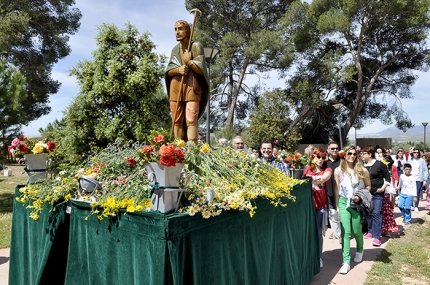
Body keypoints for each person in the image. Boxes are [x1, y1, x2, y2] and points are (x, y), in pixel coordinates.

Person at [165, 20, 210, 142]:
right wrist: (178, 70)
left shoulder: (196, 46)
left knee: (191, 119)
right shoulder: (175, 49)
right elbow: (168, 71)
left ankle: (191, 151)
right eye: (175, 29)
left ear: (188, 31)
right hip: (176, 85)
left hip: (192, 85)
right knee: (177, 119)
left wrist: (189, 61)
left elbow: (202, 70)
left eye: (180, 29)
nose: (177, 32)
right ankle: (178, 150)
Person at [334, 145, 371, 275]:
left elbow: (368, 186)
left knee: (357, 230)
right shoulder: (338, 170)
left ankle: (360, 250)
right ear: (344, 154)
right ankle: (346, 262)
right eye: (349, 153)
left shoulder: (362, 170)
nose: (352, 156)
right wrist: (337, 206)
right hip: (344, 202)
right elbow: (337, 189)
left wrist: (359, 196)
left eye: (354, 154)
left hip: (357, 204)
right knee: (346, 233)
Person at [303, 147, 332, 268]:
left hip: (321, 206)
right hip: (307, 206)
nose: (320, 159)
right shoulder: (306, 169)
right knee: (307, 232)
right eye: (318, 156)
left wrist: (309, 180)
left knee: (319, 233)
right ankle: (308, 256)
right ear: (312, 156)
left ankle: (319, 257)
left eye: (323, 157)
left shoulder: (327, 169)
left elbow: (323, 179)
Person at [361, 146, 391, 247]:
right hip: (366, 194)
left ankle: (377, 237)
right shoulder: (362, 165)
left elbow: (387, 177)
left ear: (370, 154)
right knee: (368, 212)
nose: (362, 155)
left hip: (378, 193)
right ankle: (370, 231)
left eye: (364, 153)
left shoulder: (379, 164)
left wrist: (382, 188)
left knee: (377, 213)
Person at [326, 141, 341, 240]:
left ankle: (341, 234)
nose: (335, 150)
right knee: (332, 213)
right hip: (328, 191)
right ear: (328, 150)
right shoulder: (324, 162)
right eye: (332, 148)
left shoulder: (343, 161)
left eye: (336, 148)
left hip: (341, 192)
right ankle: (336, 231)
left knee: (341, 213)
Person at [407, 147, 428, 212]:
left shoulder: (422, 161)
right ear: (412, 153)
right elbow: (406, 168)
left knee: (417, 193)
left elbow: (425, 170)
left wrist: (425, 179)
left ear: (419, 153)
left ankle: (416, 206)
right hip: (410, 179)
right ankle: (411, 205)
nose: (416, 154)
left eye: (417, 152)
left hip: (419, 179)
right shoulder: (410, 160)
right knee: (410, 193)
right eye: (414, 152)